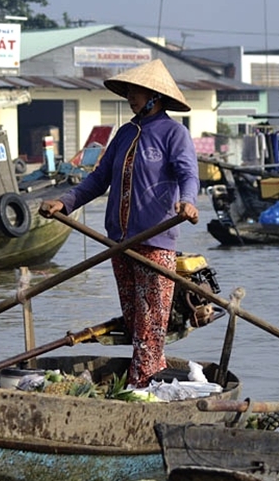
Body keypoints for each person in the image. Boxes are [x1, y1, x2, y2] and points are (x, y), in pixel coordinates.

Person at [39, 59, 200, 388]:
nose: (131, 97)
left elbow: (188, 175)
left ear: (155, 96)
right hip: (120, 243)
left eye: (137, 92)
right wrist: (65, 203)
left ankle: (144, 386)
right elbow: (99, 179)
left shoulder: (174, 133)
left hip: (156, 242)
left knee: (151, 323)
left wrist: (189, 202)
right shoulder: (126, 134)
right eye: (128, 92)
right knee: (133, 320)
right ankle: (144, 381)